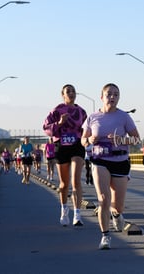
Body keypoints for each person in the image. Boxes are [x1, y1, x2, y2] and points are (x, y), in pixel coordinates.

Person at [81, 83, 140, 250]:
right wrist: (88, 140)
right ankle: (105, 236)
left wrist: (122, 141)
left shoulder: (124, 117)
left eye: (115, 94)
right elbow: (83, 139)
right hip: (99, 160)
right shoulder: (92, 117)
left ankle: (117, 214)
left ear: (119, 98)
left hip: (120, 161)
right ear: (102, 97)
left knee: (117, 204)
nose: (112, 97)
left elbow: (137, 139)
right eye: (109, 94)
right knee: (103, 199)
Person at [43, 84, 87, 227]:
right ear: (63, 94)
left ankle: (77, 214)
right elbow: (46, 128)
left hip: (77, 146)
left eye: (73, 91)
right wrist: (59, 123)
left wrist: (89, 138)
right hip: (61, 146)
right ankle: (64, 209)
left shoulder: (81, 112)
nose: (71, 93)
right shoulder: (56, 110)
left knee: (76, 181)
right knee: (64, 184)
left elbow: (88, 129)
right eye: (68, 91)